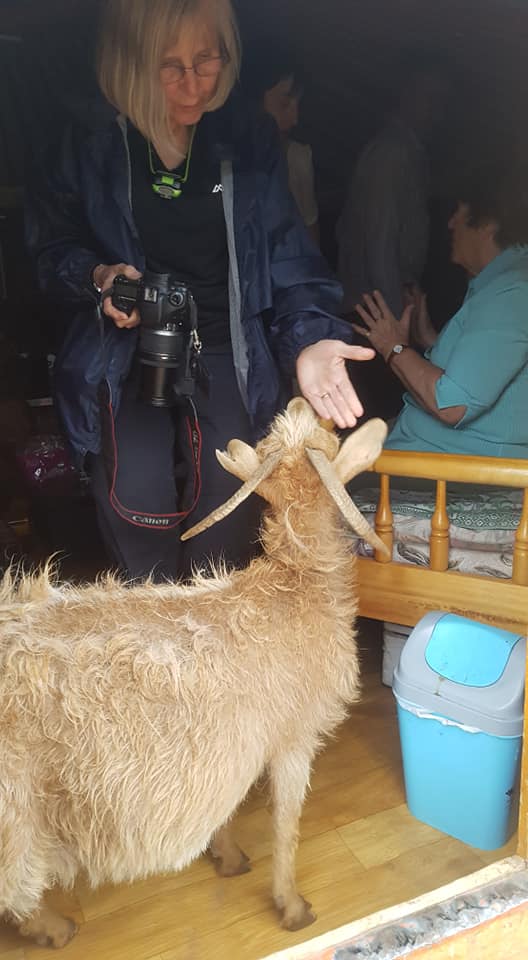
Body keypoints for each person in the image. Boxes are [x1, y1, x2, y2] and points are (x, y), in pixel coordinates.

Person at [26, 0, 374, 583]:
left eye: (207, 59)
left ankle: (209, 633)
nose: (193, 84)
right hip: (124, 357)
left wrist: (311, 339)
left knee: (227, 523)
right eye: (170, 66)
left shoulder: (246, 140)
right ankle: (155, 630)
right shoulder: (88, 144)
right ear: (129, 64)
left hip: (226, 354)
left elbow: (290, 258)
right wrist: (99, 277)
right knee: (140, 516)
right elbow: (49, 248)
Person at [352, 163, 528, 458]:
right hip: (432, 453)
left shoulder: (512, 292)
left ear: (487, 224)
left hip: (449, 470)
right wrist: (430, 339)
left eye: (458, 212)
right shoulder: (501, 284)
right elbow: (489, 366)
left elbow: (453, 405)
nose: (450, 224)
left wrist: (393, 347)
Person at [336, 61, 451, 420]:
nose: (437, 110)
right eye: (429, 98)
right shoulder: (391, 153)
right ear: (407, 96)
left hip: (387, 307)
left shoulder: (409, 151)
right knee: (381, 415)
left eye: (441, 101)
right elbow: (380, 237)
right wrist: (394, 322)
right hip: (375, 312)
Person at [243, 52, 319, 244]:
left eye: (297, 105)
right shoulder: (225, 165)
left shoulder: (297, 159)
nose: (294, 119)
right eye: (284, 104)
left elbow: (311, 240)